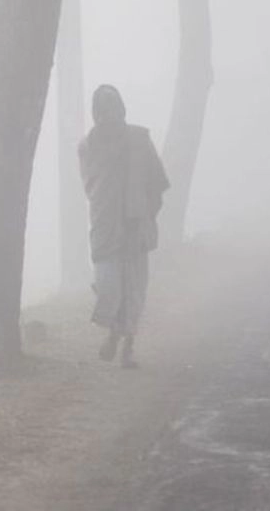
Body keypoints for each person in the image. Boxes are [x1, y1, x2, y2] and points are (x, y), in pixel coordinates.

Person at [78, 84, 170, 369]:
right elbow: (91, 185)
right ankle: (115, 330)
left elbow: (157, 181)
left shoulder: (140, 140)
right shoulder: (87, 146)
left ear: (122, 109)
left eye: (114, 110)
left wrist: (144, 212)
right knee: (108, 286)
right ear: (96, 114)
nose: (109, 116)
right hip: (105, 226)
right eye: (103, 111)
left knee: (134, 289)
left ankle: (127, 345)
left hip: (135, 226)